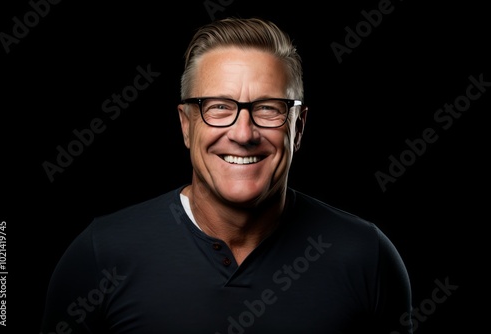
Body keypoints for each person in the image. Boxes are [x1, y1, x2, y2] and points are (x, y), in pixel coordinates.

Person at [40, 17, 413, 333]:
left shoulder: (367, 257)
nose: (243, 133)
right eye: (219, 107)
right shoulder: (101, 255)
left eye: (268, 108)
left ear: (298, 129)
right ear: (186, 125)